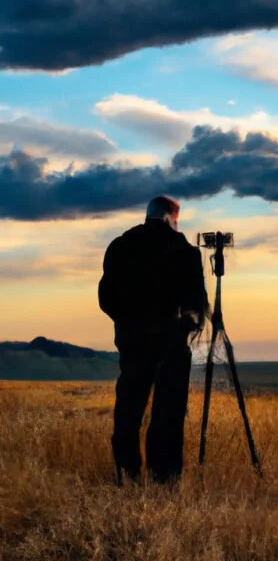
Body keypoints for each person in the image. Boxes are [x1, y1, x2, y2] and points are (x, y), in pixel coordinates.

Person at [99, 195, 209, 484]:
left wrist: (126, 323)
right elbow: (197, 304)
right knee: (168, 413)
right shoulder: (184, 251)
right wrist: (186, 327)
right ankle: (164, 479)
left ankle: (127, 475)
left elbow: (106, 298)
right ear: (168, 218)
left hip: (133, 343)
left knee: (128, 411)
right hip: (171, 346)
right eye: (177, 220)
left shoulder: (120, 246)